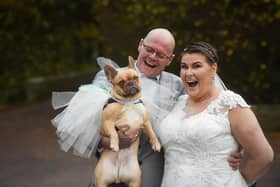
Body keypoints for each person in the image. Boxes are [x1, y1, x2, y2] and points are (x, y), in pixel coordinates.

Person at [86, 29, 243, 187]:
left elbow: (209, 114)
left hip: (154, 175)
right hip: (109, 171)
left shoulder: (179, 85)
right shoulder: (108, 78)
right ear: (140, 45)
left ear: (170, 59)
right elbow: (85, 128)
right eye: (149, 49)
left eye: (161, 55)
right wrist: (106, 141)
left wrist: (235, 146)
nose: (153, 57)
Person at [157, 41, 274, 187]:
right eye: (184, 67)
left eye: (197, 66)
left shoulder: (230, 104)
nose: (188, 72)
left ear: (213, 69)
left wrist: (240, 181)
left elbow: (264, 156)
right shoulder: (177, 103)